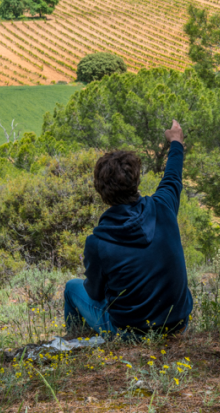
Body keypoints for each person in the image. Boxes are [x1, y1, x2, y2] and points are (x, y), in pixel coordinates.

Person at [64, 119, 193, 339]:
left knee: (71, 288)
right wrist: (176, 142)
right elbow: (173, 176)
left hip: (130, 334)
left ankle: (78, 342)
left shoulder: (97, 243)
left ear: (100, 191)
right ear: (135, 180)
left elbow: (94, 293)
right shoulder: (164, 207)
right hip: (178, 324)